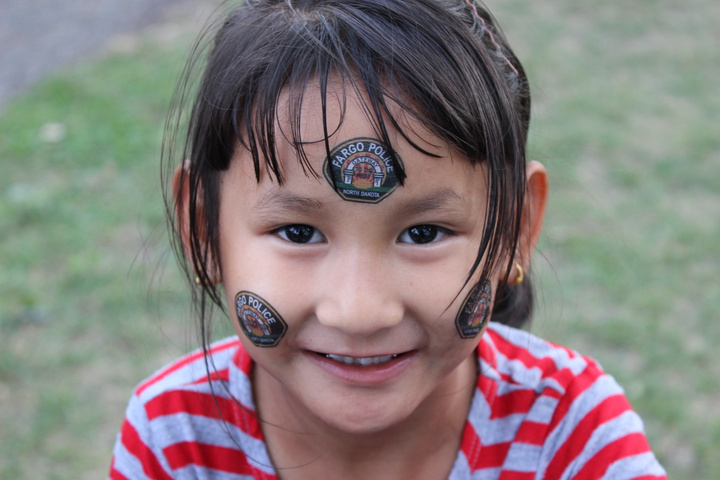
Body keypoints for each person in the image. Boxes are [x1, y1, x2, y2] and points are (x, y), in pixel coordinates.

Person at [108, 0, 667, 478]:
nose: (359, 311)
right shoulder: (174, 438)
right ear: (203, 230)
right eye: (298, 232)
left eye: (424, 233)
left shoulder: (572, 433)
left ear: (515, 230)